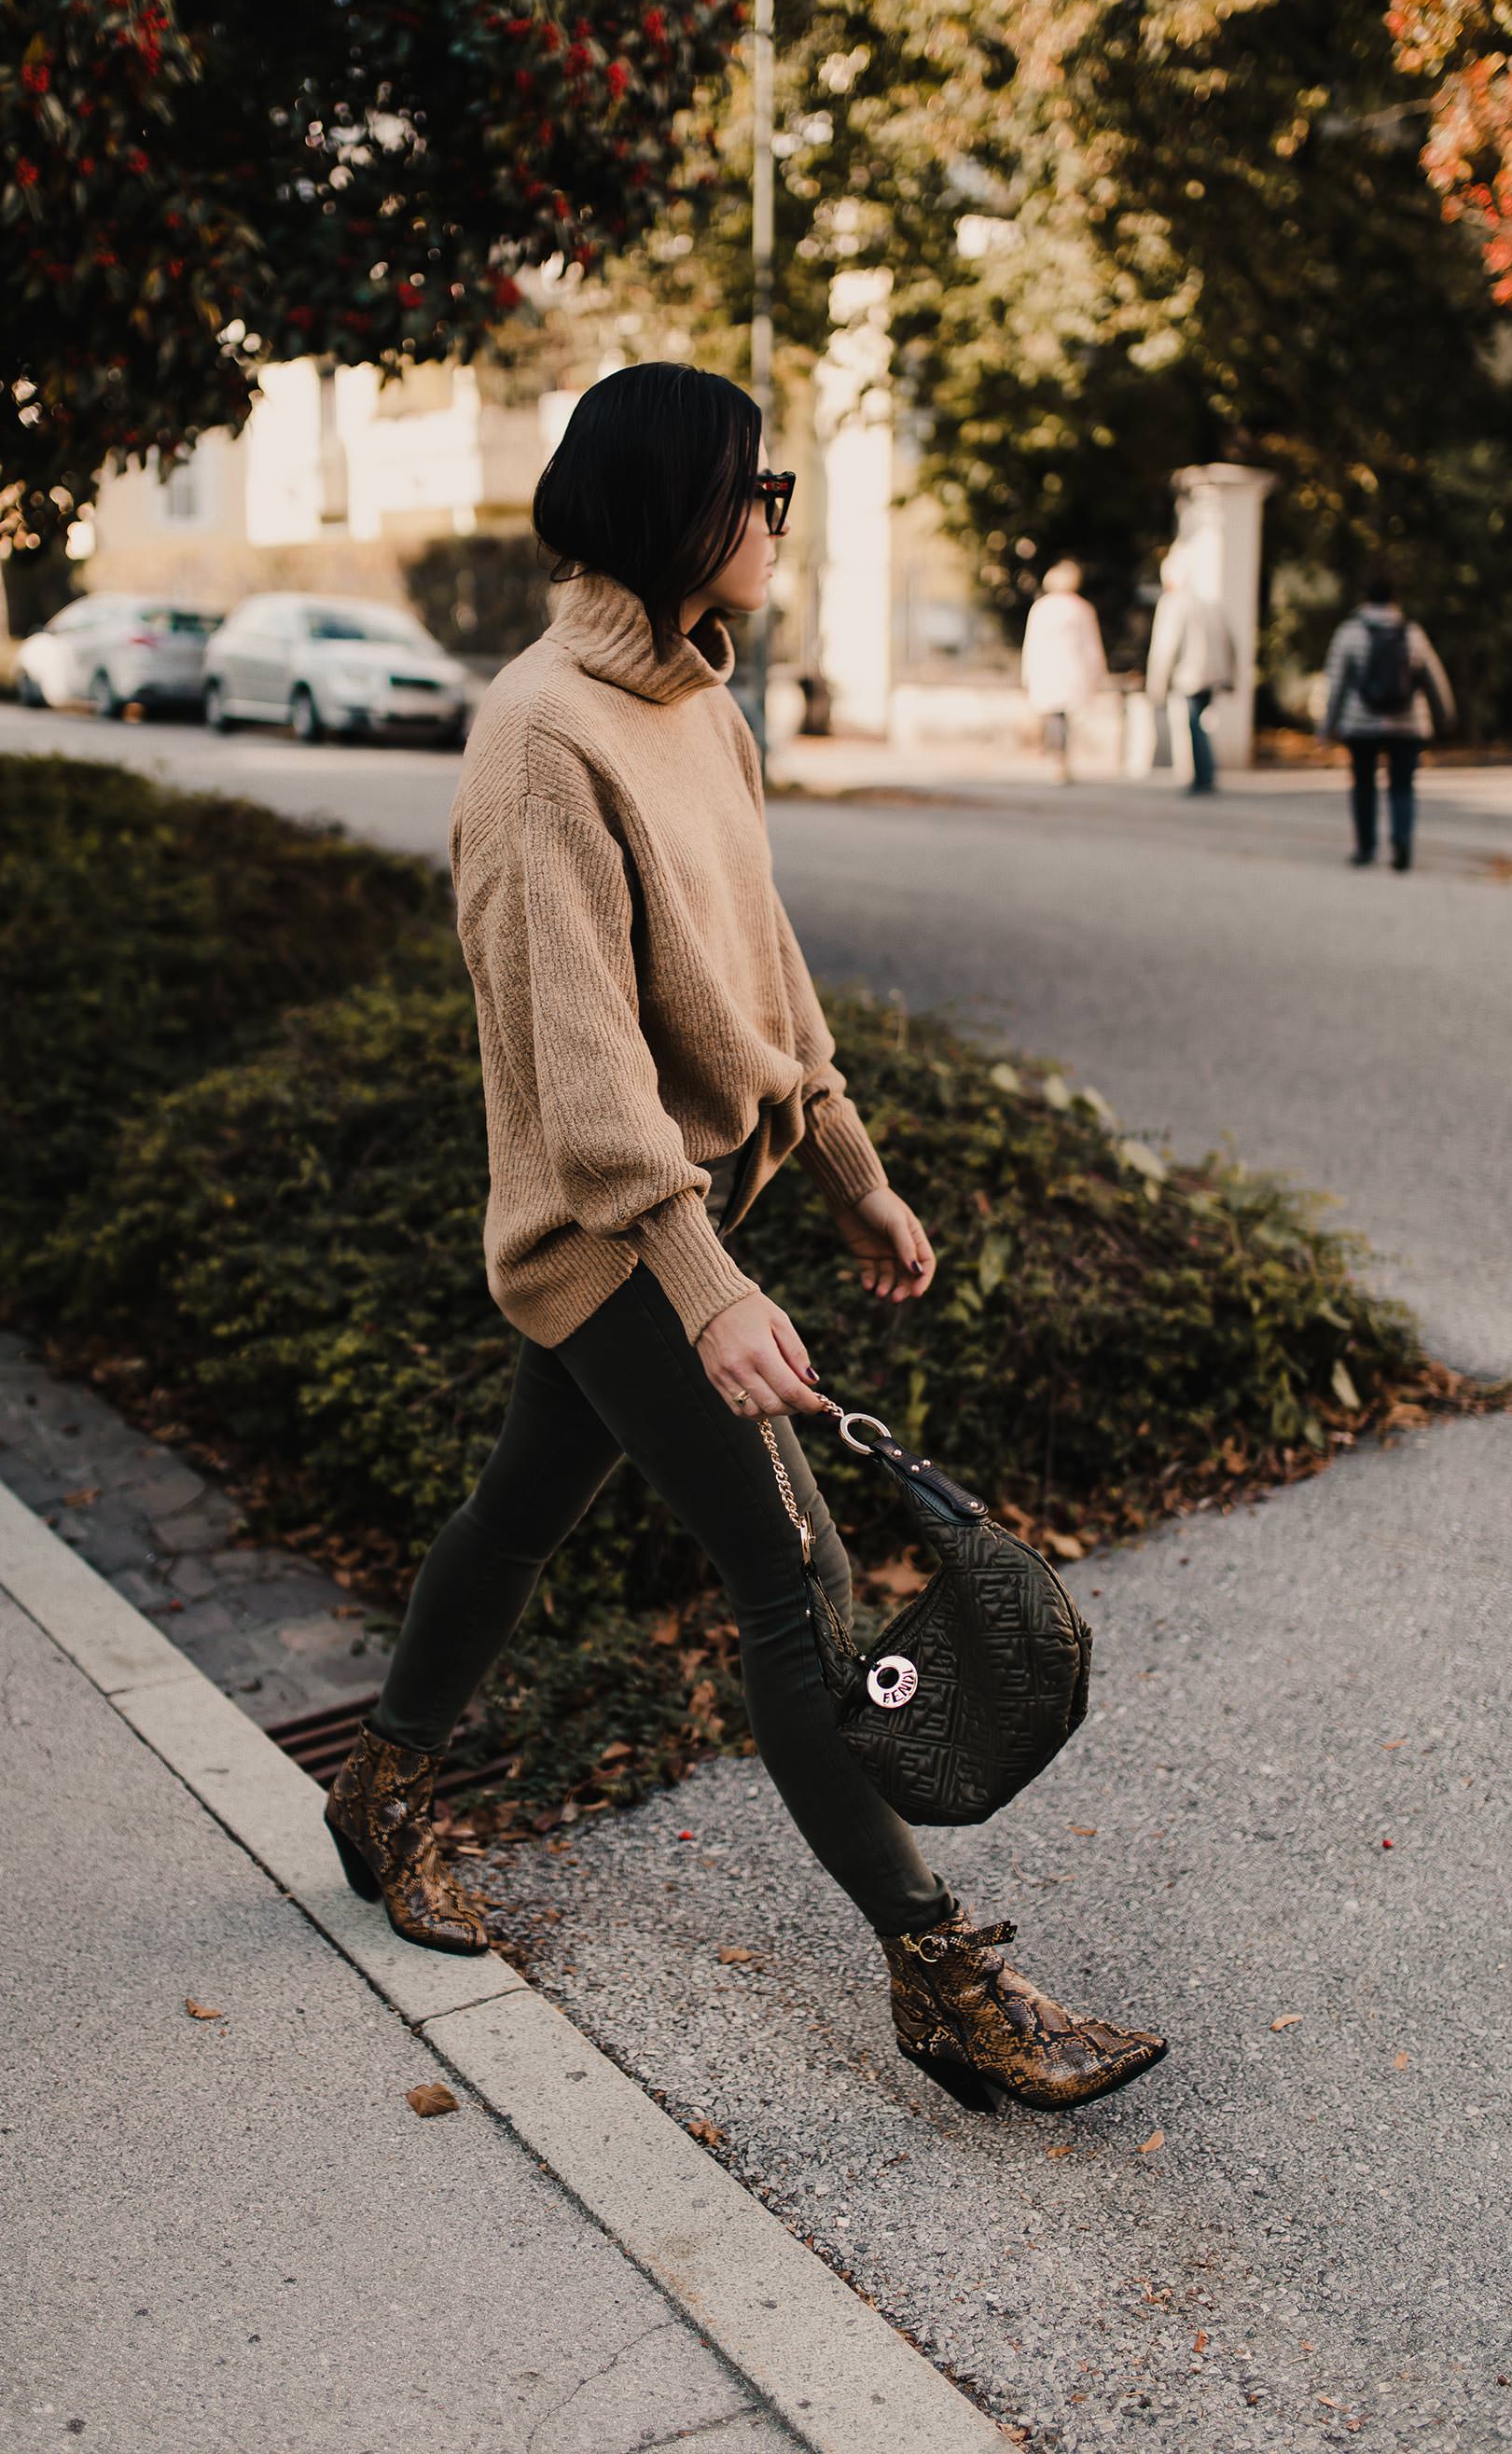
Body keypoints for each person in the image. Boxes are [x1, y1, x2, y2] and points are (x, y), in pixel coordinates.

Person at [321, 365, 1165, 2114]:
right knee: (798, 1586)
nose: (779, 513)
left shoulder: (698, 704)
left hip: (701, 1209)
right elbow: (583, 1066)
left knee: (523, 1504)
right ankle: (946, 1980)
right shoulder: (541, 737)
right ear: (672, 512)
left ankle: (383, 1779)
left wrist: (847, 1160)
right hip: (610, 1232)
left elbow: (760, 965)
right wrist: (703, 1287)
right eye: (754, 486)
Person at [1322, 578, 1456, 870]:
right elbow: (1434, 677)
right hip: (1408, 724)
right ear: (1394, 599)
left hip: (1360, 722)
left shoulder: (1350, 632)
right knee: (1402, 786)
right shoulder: (1411, 632)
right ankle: (1402, 842)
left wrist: (1326, 726)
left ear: (1364, 598)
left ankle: (1366, 848)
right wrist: (1445, 715)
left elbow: (1335, 684)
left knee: (1363, 785)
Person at [1145, 550, 1236, 794]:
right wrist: (1229, 676)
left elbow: (1166, 646)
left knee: (1194, 724)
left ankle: (1203, 777)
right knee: (1201, 723)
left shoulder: (1174, 604)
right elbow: (1229, 641)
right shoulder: (1208, 603)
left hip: (1191, 675)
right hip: (1213, 675)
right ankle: (1205, 774)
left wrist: (1157, 685)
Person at [1020, 559, 1108, 781]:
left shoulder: (1042, 608)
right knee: (1064, 716)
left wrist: (1027, 673)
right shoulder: (1081, 608)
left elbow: (1032, 643)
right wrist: (1098, 672)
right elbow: (1091, 645)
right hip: (1072, 669)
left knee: (1055, 716)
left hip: (1048, 669)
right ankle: (1062, 758)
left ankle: (1058, 758)